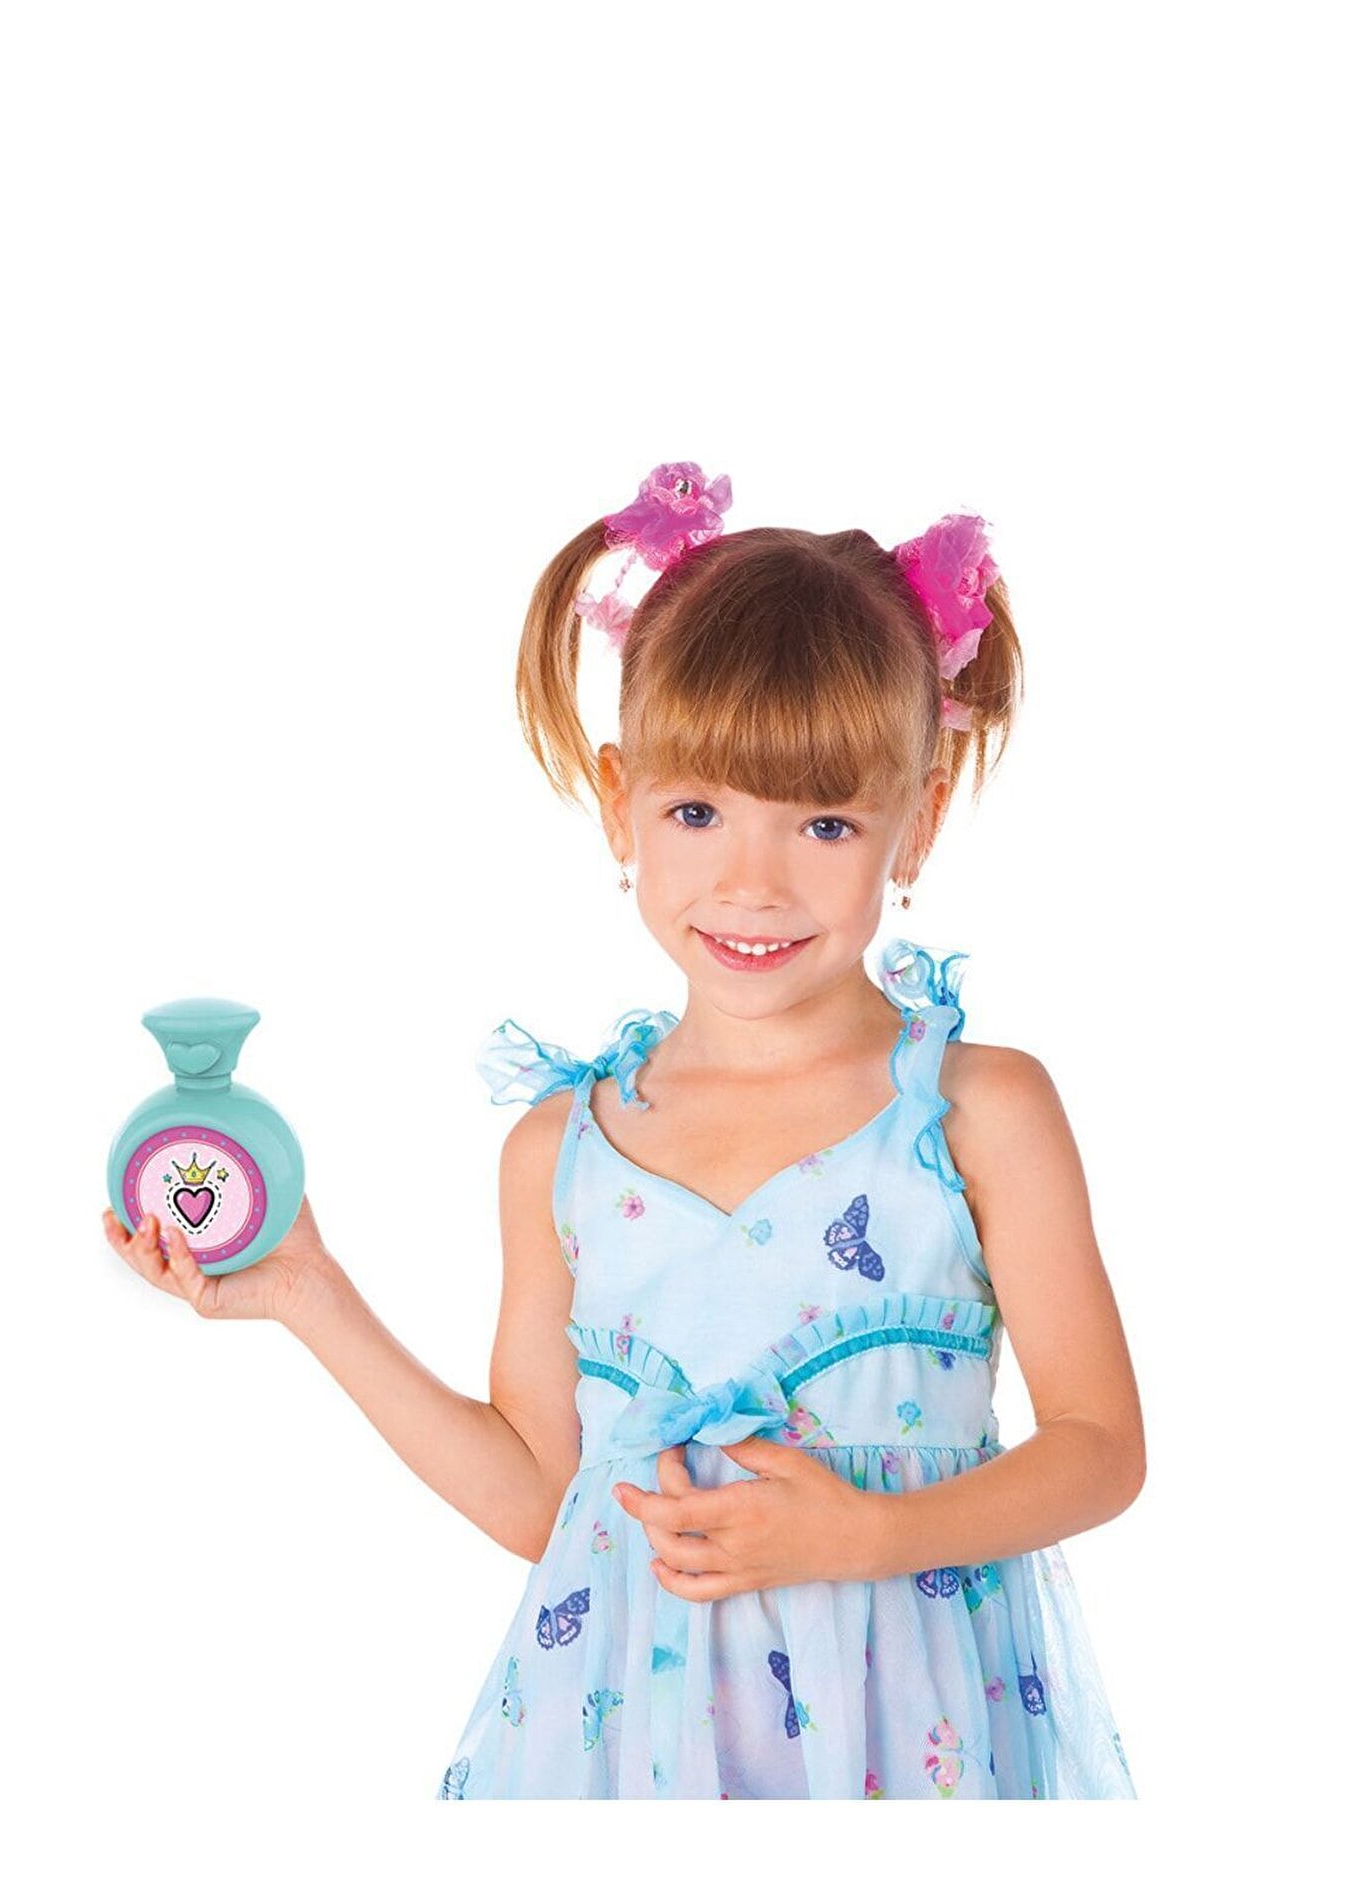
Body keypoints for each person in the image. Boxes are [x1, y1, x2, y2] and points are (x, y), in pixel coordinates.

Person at [104, 459, 1144, 1800]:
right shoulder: (565, 1153)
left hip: (905, 1741)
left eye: (826, 822)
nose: (753, 881)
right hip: (620, 1755)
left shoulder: (973, 1115)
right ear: (619, 801)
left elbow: (1100, 1447)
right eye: (697, 812)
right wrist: (309, 1291)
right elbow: (548, 1499)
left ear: (918, 820)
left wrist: (867, 1535)